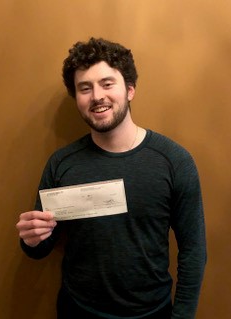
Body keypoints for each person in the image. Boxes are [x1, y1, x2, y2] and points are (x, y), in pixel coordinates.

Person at [16, 37, 206, 319]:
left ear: (129, 90)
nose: (96, 96)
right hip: (77, 310)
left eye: (107, 84)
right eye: (85, 88)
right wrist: (31, 240)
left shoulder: (174, 161)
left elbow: (193, 251)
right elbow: (40, 248)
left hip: (151, 312)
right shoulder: (61, 163)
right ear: (77, 99)